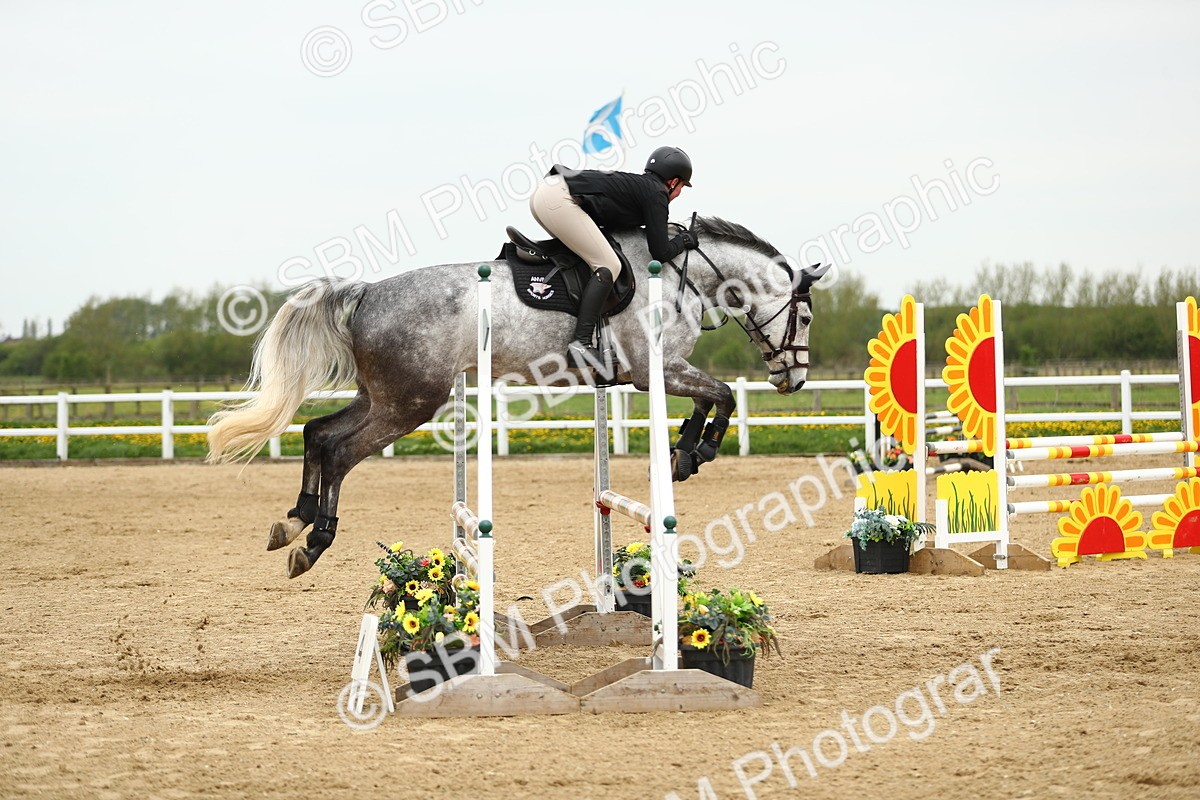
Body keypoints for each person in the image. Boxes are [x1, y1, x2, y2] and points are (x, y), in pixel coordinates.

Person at [529, 145, 699, 371]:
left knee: (593, 257)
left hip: (547, 193)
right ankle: (580, 345)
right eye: (681, 188)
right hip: (558, 198)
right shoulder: (657, 193)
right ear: (672, 182)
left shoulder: (641, 187)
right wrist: (685, 240)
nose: (678, 195)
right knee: (608, 264)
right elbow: (660, 253)